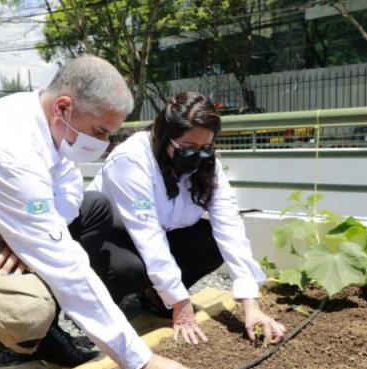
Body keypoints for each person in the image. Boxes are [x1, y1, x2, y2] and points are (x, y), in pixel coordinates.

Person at [0, 55, 203, 369]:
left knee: (95, 208)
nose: (104, 143)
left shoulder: (44, 118)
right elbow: (67, 270)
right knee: (29, 308)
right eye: (100, 131)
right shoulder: (7, 148)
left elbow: (71, 187)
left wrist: (32, 234)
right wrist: (142, 361)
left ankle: (43, 336)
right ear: (64, 106)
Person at [88, 91, 287, 346]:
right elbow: (148, 236)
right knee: (130, 269)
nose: (198, 155)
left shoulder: (206, 165)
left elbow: (229, 226)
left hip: (160, 234)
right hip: (114, 239)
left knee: (209, 241)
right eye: (188, 148)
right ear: (164, 137)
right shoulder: (131, 160)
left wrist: (251, 303)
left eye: (205, 148)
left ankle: (156, 301)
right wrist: (181, 304)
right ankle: (100, 315)